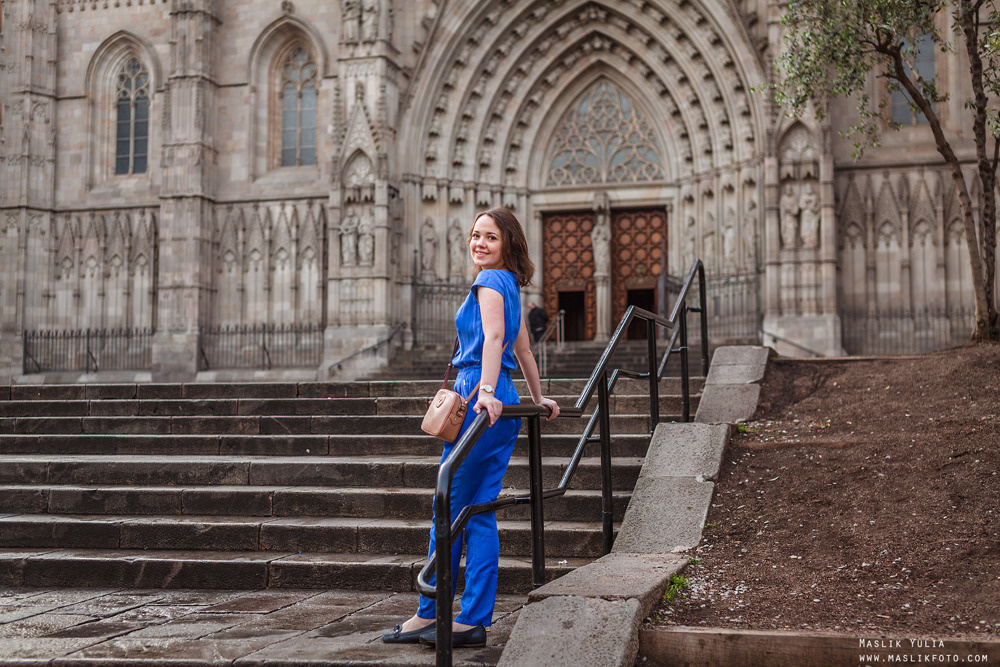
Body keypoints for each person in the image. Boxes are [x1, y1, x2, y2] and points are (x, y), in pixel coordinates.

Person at [381, 207, 560, 648]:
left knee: (450, 505)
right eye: (475, 235)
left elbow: (497, 341)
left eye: (490, 237)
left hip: (481, 401)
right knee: (479, 513)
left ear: (508, 244)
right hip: (500, 400)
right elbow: (525, 351)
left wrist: (483, 390)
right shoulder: (510, 285)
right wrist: (537, 399)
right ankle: (473, 617)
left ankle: (429, 612)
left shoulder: (487, 283)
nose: (479, 243)